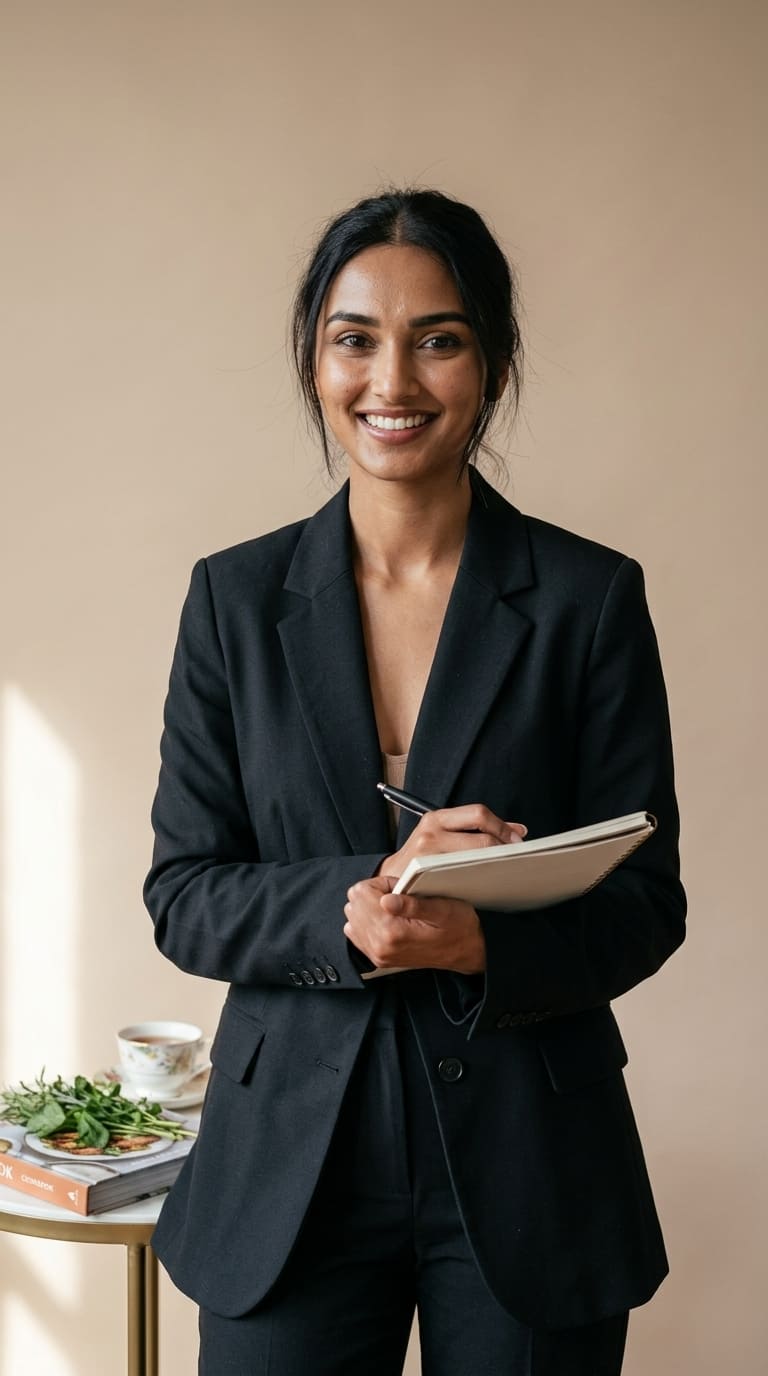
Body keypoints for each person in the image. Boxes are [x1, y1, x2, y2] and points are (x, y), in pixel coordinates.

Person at [144, 188, 686, 1376]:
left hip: (537, 1159)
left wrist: (476, 943)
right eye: (356, 337)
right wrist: (362, 898)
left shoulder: (590, 599)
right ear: (314, 357)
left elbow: (648, 903)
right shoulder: (232, 601)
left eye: (438, 337)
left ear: (489, 363)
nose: (394, 378)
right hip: (286, 1168)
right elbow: (184, 891)